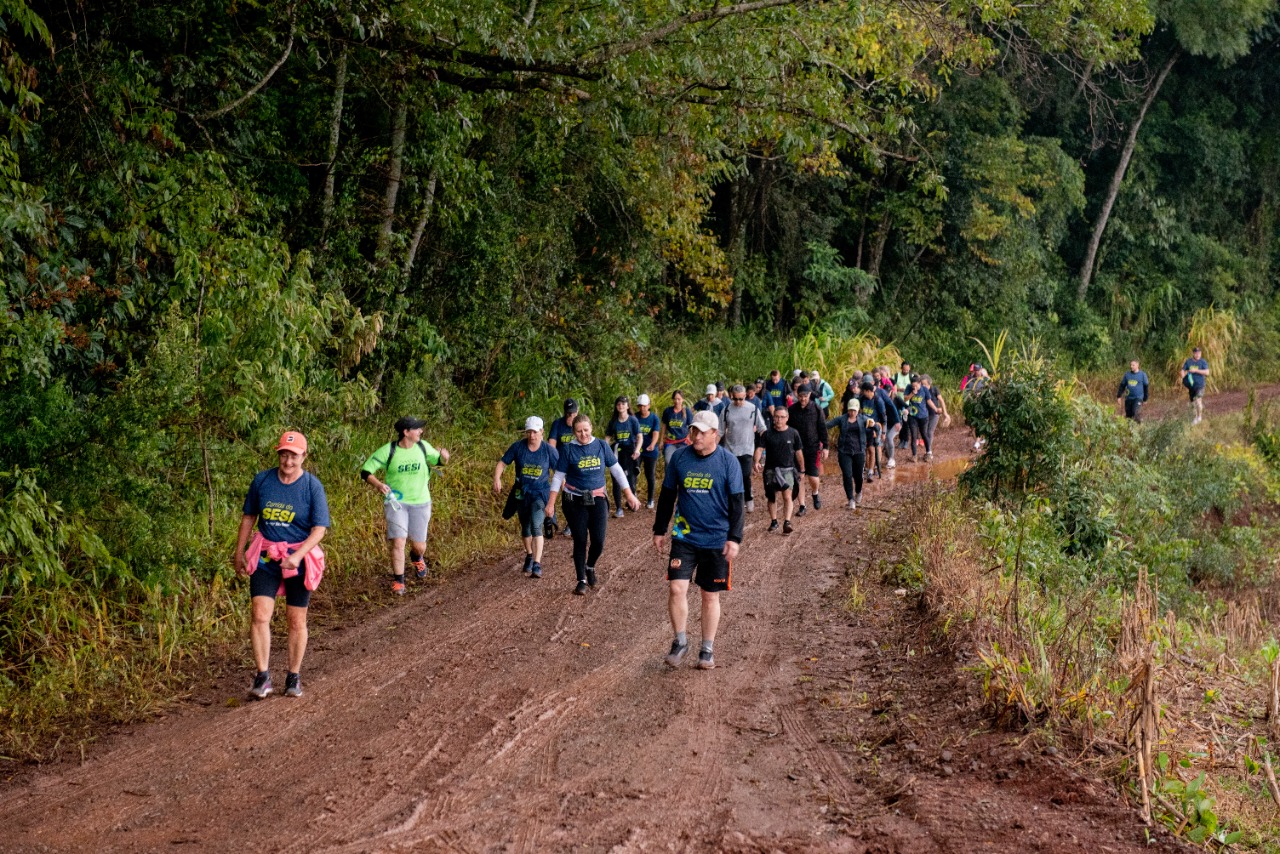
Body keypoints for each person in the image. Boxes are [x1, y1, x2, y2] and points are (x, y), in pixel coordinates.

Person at [234, 431, 329, 700]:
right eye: (283, 455)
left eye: (294, 456)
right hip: (266, 558)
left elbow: (319, 529)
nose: (287, 461)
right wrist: (239, 551)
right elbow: (249, 516)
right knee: (259, 613)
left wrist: (298, 556)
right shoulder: (262, 480)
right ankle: (262, 676)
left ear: (304, 457)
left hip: (299, 560)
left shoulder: (312, 486)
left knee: (296, 620)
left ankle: (293, 676)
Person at [653, 410, 744, 670]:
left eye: (702, 432)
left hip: (716, 539)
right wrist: (659, 529)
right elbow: (668, 495)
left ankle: (707, 649)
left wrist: (734, 538)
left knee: (709, 595)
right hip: (684, 536)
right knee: (676, 588)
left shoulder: (728, 463)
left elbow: (737, 504)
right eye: (693, 430)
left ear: (715, 433)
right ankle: (680, 641)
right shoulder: (680, 458)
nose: (695, 435)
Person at [545, 415, 641, 595]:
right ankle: (581, 580)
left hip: (597, 498)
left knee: (598, 540)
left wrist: (629, 494)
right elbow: (558, 477)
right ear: (574, 432)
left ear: (591, 428)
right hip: (574, 500)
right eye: (579, 431)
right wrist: (551, 504)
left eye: (586, 430)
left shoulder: (601, 446)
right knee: (580, 539)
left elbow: (616, 470)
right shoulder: (568, 449)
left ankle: (590, 566)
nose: (583, 434)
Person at [360, 416, 451, 595]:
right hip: (396, 503)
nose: (421, 431)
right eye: (417, 429)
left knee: (419, 545)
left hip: (421, 502)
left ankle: (417, 557)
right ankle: (399, 581)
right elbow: (365, 471)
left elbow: (439, 462)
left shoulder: (423, 447)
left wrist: (444, 457)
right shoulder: (389, 450)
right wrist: (378, 485)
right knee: (398, 541)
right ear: (406, 432)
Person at [494, 416, 559, 579]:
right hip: (521, 493)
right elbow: (502, 463)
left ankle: (537, 563)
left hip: (540, 493)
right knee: (525, 528)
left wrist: (563, 492)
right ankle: (529, 554)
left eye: (535, 432)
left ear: (542, 432)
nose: (532, 436)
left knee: (537, 525)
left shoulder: (548, 450)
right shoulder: (518, 447)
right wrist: (497, 478)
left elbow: (559, 473)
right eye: (529, 432)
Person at [754, 406, 804, 534]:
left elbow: (798, 452)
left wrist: (802, 469)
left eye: (782, 417)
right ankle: (774, 521)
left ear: (787, 418)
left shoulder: (793, 433)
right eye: (776, 416)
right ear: (773, 417)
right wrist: (756, 461)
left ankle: (787, 521)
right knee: (771, 497)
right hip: (770, 470)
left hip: (787, 469)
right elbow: (760, 448)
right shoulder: (767, 434)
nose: (779, 419)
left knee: (787, 496)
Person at [720, 383, 767, 513]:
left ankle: (748, 498)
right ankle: (734, 501)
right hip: (730, 449)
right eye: (735, 399)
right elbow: (720, 431)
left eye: (741, 399)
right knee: (731, 476)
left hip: (747, 448)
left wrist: (765, 444)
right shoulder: (727, 409)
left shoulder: (753, 409)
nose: (738, 402)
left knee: (745, 475)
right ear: (731, 397)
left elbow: (762, 428)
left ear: (745, 396)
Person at [826, 399, 873, 509]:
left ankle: (858, 491)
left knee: (858, 476)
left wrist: (875, 426)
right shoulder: (842, 419)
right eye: (850, 410)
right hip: (844, 451)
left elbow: (873, 425)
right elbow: (828, 424)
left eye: (854, 410)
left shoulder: (863, 419)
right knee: (847, 475)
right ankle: (850, 499)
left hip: (859, 451)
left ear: (858, 410)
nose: (852, 413)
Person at [544, 399, 580, 537]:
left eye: (574, 414)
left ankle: (572, 524)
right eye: (569, 414)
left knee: (573, 495)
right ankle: (552, 520)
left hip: (576, 465)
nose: (571, 417)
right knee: (561, 495)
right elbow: (551, 445)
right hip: (560, 464)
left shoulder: (580, 424)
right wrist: (556, 466)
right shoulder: (558, 424)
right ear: (565, 413)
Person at [787, 384, 826, 514]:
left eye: (805, 396)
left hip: (813, 448)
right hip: (796, 449)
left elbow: (822, 428)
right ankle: (802, 505)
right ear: (797, 396)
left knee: (813, 477)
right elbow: (788, 429)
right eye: (800, 396)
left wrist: (825, 446)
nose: (803, 399)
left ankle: (815, 493)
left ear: (809, 395)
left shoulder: (816, 409)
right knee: (799, 477)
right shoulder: (792, 410)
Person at [605, 395, 642, 518]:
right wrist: (605, 450)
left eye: (623, 404)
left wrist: (637, 450)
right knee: (615, 478)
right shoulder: (613, 421)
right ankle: (619, 508)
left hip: (630, 451)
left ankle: (632, 501)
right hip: (617, 450)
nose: (621, 406)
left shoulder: (633, 420)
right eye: (618, 404)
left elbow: (639, 437)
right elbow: (608, 437)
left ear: (627, 406)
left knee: (629, 478)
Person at [634, 393, 663, 509]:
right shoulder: (635, 417)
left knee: (649, 474)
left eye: (644, 406)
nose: (642, 408)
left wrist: (652, 444)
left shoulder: (654, 418)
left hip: (650, 450)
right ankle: (633, 496)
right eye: (640, 406)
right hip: (638, 449)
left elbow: (656, 433)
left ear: (649, 406)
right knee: (634, 472)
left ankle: (650, 499)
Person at [857, 380, 886, 480]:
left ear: (868, 391)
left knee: (872, 449)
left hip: (875, 428)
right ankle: (864, 468)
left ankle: (871, 471)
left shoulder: (878, 401)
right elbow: (859, 412)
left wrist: (882, 432)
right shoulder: (862, 399)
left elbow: (883, 418)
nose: (862, 393)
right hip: (864, 428)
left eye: (863, 391)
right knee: (863, 449)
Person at [659, 390, 693, 466]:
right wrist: (661, 440)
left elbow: (691, 427)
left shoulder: (687, 412)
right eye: (675, 399)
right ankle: (669, 477)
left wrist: (692, 440)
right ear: (673, 399)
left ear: (682, 400)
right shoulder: (668, 411)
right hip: (670, 442)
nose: (677, 401)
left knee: (682, 463)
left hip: (683, 442)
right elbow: (664, 426)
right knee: (668, 461)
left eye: (679, 399)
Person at [921, 375, 950, 458]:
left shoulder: (934, 390)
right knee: (924, 432)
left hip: (934, 414)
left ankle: (929, 452)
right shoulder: (921, 391)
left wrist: (945, 413)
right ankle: (928, 450)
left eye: (925, 384)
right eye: (922, 384)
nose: (923, 386)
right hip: (924, 415)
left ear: (929, 384)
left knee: (930, 431)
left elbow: (941, 400)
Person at [904, 376, 933, 461]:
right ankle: (914, 455)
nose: (914, 387)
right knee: (913, 435)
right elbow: (905, 399)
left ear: (920, 383)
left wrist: (935, 409)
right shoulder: (909, 388)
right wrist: (912, 393)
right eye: (913, 386)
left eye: (916, 386)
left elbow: (929, 401)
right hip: (913, 416)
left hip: (923, 416)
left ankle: (928, 452)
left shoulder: (924, 389)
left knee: (924, 434)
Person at [1180, 346, 1210, 424]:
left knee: (1198, 400)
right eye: (1196, 353)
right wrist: (1184, 378)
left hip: (1200, 385)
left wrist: (1196, 370)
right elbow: (1182, 370)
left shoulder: (1203, 362)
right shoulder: (1188, 361)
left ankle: (1199, 417)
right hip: (1191, 386)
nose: (1198, 355)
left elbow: (1207, 372)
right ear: (1193, 353)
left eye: (1199, 353)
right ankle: (1195, 418)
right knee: (1193, 403)